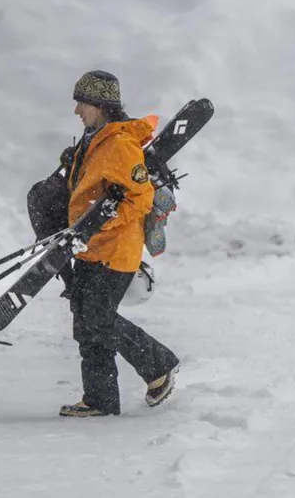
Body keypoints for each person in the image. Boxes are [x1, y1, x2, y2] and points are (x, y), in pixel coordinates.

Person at [59, 70, 180, 418]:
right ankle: (99, 399)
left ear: (100, 105)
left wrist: (103, 223)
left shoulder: (120, 144)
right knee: (85, 323)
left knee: (97, 319)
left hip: (114, 251)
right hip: (90, 247)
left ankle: (159, 365)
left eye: (82, 103)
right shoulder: (95, 139)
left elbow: (139, 198)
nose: (77, 110)